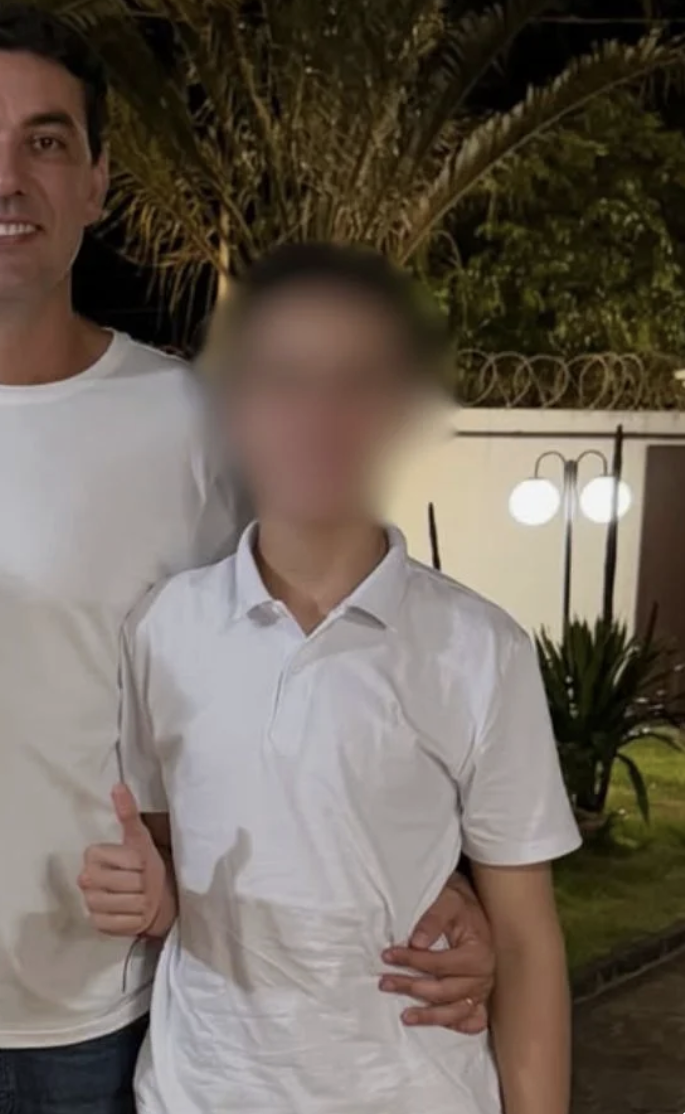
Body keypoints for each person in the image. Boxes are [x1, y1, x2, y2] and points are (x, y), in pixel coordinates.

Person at [0, 6, 498, 1111]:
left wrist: (447, 876)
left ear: (97, 180)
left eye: (47, 140)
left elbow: (306, 668)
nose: (6, 175)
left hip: (111, 1013)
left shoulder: (191, 421)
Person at [80, 244, 579, 1114]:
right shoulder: (165, 628)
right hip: (203, 1093)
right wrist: (151, 897)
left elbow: (529, 938)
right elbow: (168, 849)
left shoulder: (479, 649)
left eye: (358, 381)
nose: (319, 415)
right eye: (285, 380)